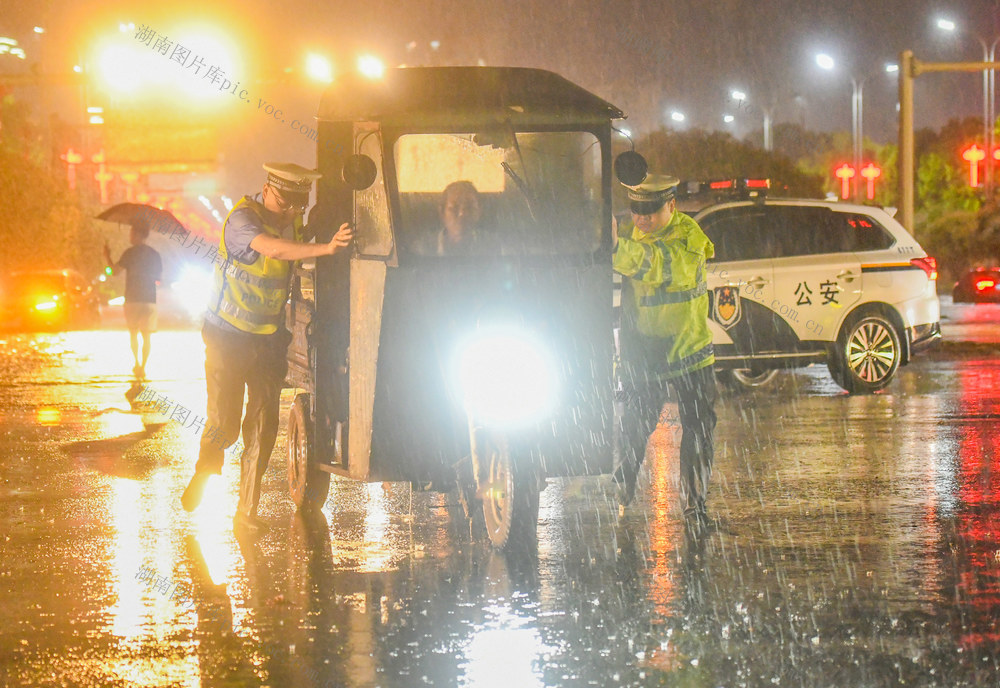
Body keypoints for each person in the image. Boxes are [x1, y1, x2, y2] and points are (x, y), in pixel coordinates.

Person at [180, 162, 354, 534]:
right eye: (286, 203)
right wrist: (324, 247)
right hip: (227, 337)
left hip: (268, 339)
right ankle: (205, 470)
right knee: (224, 424)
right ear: (267, 190)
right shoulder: (243, 220)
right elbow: (274, 250)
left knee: (263, 427)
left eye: (297, 206)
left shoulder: (291, 220)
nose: (291, 212)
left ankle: (246, 511)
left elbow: (296, 250)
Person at [611, 174, 718, 530]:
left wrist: (615, 249)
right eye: (636, 209)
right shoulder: (630, 234)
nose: (642, 217)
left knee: (699, 430)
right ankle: (623, 485)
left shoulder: (689, 239)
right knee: (635, 427)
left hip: (689, 350)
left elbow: (660, 264)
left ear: (671, 205)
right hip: (646, 355)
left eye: (651, 210)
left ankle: (695, 504)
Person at [104, 220, 162, 379]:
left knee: (133, 333)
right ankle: (143, 366)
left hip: (132, 299)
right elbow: (159, 278)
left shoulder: (130, 253)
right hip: (149, 300)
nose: (130, 236)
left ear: (138, 234)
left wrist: (107, 257)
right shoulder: (154, 254)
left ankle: (136, 363)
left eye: (131, 232)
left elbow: (113, 272)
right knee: (146, 336)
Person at [435, 180, 482, 255]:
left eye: (469, 207)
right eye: (454, 208)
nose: (462, 214)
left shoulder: (495, 246)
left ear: (479, 212)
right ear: (442, 213)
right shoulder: (422, 248)